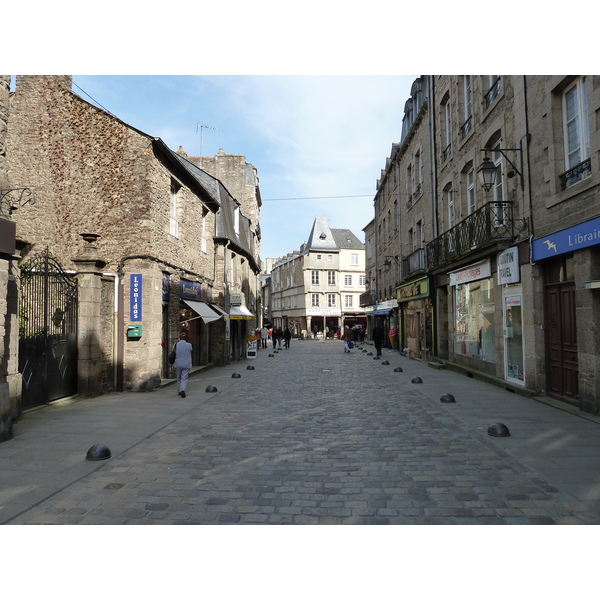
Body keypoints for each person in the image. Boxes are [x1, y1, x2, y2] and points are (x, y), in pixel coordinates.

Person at [172, 330, 193, 398]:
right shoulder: (189, 345)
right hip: (187, 363)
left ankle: (179, 390)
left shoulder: (175, 345)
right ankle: (182, 390)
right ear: (186, 338)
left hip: (178, 363)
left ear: (179, 338)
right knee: (184, 377)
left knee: (178, 377)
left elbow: (173, 351)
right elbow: (190, 351)